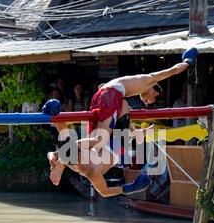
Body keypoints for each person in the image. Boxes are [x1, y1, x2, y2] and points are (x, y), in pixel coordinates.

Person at [47, 47, 199, 197]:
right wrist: (187, 62)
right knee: (98, 137)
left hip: (107, 106)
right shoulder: (148, 81)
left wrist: (55, 157)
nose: (147, 102)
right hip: (110, 105)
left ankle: (54, 115)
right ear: (156, 92)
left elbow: (63, 141)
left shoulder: (84, 167)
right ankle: (137, 133)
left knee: (91, 137)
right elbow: (171, 71)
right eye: (151, 100)